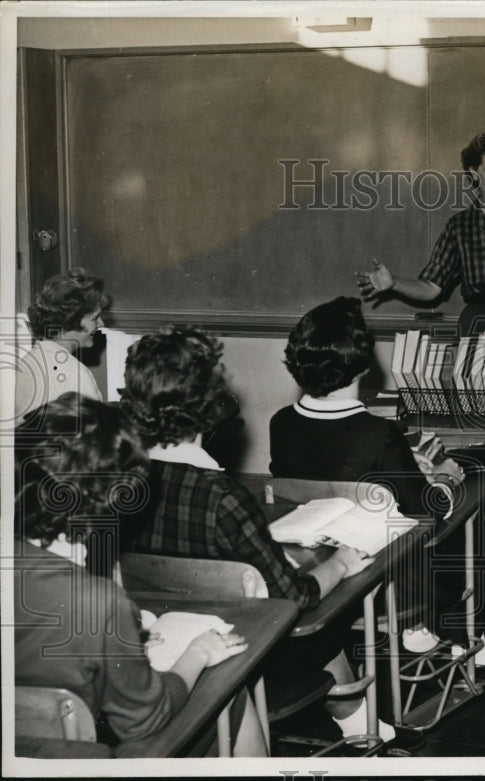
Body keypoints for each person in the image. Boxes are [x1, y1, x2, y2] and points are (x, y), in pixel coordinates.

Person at [118, 326, 422, 750]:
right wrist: (339, 563)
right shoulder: (220, 496)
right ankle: (363, 729)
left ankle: (360, 723)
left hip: (155, 650)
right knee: (326, 611)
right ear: (209, 407)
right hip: (247, 655)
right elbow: (296, 596)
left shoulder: (117, 481)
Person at [270, 297, 485, 686]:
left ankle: (428, 630)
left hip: (318, 564)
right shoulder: (378, 435)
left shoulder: (282, 424)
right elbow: (429, 512)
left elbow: (321, 477)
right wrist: (446, 475)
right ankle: (460, 639)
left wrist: (404, 464)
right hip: (388, 579)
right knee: (466, 517)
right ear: (364, 365)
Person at [14, 393, 266, 756]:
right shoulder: (95, 602)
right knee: (228, 688)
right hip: (81, 759)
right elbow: (144, 720)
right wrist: (197, 652)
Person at [356, 127, 485, 390]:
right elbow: (431, 287)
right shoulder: (460, 226)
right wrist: (393, 283)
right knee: (474, 407)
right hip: (477, 330)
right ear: (474, 173)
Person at [15, 268, 109, 422]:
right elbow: (94, 440)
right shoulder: (76, 374)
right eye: (95, 318)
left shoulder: (25, 363)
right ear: (72, 320)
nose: (101, 323)